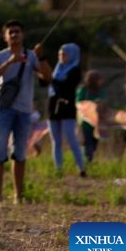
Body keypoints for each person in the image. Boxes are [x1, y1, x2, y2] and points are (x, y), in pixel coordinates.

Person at [0, 20, 50, 203]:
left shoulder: (31, 56)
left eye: (17, 31)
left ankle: (18, 195)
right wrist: (9, 62)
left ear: (23, 35)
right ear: (5, 37)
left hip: (24, 111)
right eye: (10, 32)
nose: (14, 35)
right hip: (3, 110)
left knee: (20, 153)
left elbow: (47, 78)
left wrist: (42, 58)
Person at [46, 43, 86, 177]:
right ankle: (59, 169)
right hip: (53, 106)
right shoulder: (56, 70)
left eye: (64, 54)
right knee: (55, 140)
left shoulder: (75, 70)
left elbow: (68, 86)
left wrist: (53, 80)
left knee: (71, 138)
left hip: (67, 107)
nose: (61, 57)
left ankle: (81, 167)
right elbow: (47, 82)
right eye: (60, 54)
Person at [76, 69, 105, 164]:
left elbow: (104, 102)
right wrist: (90, 105)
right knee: (87, 142)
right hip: (85, 122)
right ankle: (87, 162)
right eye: (99, 79)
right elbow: (78, 103)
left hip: (97, 123)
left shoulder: (100, 91)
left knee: (94, 143)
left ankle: (89, 160)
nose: (101, 82)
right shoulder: (83, 90)